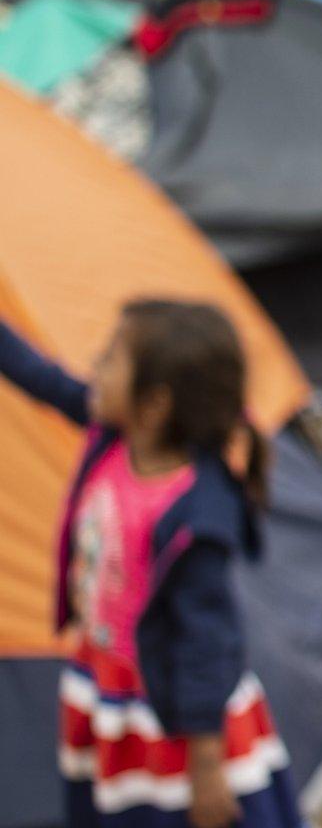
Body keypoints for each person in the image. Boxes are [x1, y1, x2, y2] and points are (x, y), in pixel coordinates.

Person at [0, 302, 300, 828]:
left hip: (174, 716)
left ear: (154, 404)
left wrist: (207, 768)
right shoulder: (115, 437)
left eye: (112, 358)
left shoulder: (198, 515)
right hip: (106, 682)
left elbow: (207, 641)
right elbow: (39, 376)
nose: (95, 365)